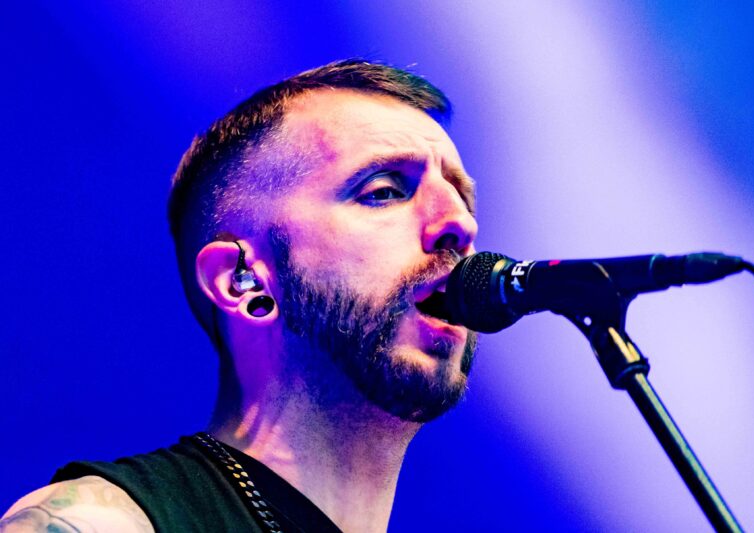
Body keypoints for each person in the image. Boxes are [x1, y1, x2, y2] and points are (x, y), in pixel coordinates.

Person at [1, 59, 479, 533]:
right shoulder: (100, 522)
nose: (460, 224)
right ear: (242, 280)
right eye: (383, 191)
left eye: (460, 197)